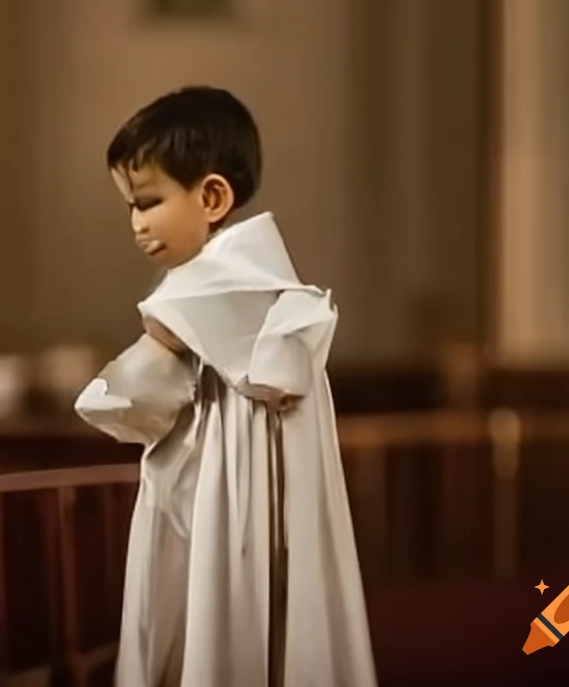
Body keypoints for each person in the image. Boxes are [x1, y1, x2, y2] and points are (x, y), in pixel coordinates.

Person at [75, 86, 377, 687]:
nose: (136, 224)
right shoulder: (270, 284)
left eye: (148, 201)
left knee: (222, 618)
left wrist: (111, 386)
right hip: (258, 494)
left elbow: (129, 400)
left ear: (212, 196)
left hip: (229, 499)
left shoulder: (203, 293)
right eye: (130, 207)